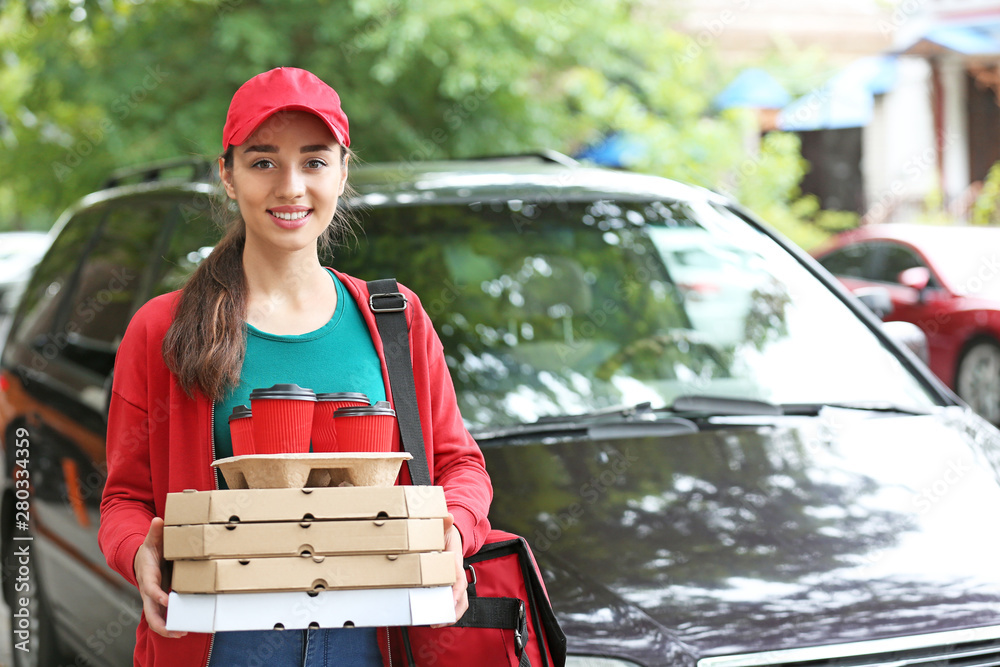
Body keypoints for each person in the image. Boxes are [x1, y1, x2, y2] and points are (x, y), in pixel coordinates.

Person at [99, 67, 493, 667]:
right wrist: (136, 551)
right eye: (263, 162)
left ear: (341, 171)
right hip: (221, 644)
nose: (290, 186)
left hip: (376, 639)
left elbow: (461, 467)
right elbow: (124, 499)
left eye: (313, 162)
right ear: (227, 176)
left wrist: (455, 530)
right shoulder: (164, 328)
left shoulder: (395, 318)